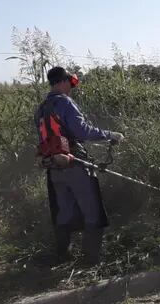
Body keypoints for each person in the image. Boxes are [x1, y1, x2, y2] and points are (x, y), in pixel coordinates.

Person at [34, 66, 124, 265]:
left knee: (64, 212)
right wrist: (111, 135)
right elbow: (82, 131)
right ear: (64, 81)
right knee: (92, 212)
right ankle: (91, 262)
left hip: (53, 168)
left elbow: (42, 137)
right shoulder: (65, 103)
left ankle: (63, 257)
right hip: (74, 165)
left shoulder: (41, 108)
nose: (71, 89)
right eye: (70, 84)